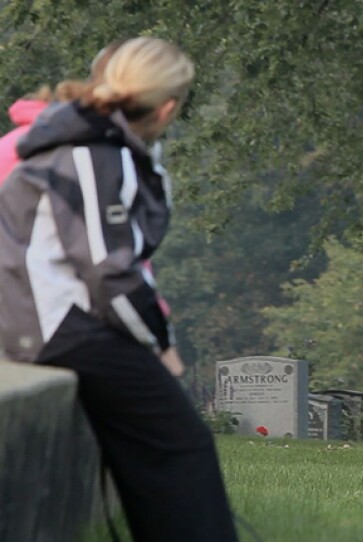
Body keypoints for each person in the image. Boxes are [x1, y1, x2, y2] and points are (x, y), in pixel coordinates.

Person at [0, 37, 239, 541]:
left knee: (154, 444)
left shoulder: (78, 140)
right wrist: (160, 345)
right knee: (184, 445)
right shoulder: (94, 154)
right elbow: (109, 271)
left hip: (43, 320)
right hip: (58, 327)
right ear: (168, 107)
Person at [0, 44, 185, 377]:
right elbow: (114, 261)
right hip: (48, 322)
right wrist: (158, 337)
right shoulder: (82, 157)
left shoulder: (43, 145)